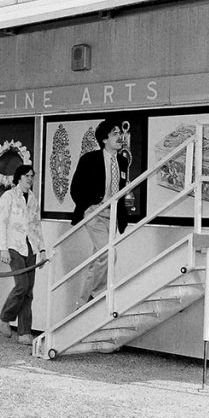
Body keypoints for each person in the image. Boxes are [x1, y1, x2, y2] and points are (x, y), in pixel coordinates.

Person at [69, 117, 131, 306]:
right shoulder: (89, 159)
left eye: (121, 133)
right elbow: (75, 188)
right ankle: (98, 295)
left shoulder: (122, 160)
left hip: (112, 214)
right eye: (115, 134)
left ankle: (83, 302)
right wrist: (88, 206)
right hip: (94, 212)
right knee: (108, 253)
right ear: (104, 139)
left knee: (99, 258)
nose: (120, 137)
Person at [0, 164, 46, 345]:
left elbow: (36, 226)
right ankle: (4, 317)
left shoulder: (33, 198)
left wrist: (41, 249)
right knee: (21, 286)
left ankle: (24, 332)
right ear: (19, 178)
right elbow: (1, 223)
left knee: (28, 292)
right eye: (27, 176)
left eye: (32, 176)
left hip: (30, 247)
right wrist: (3, 248)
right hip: (14, 246)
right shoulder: (8, 197)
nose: (30, 179)